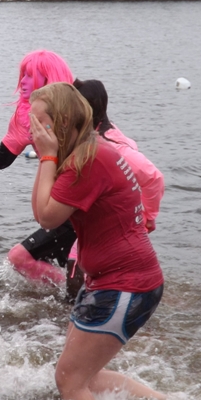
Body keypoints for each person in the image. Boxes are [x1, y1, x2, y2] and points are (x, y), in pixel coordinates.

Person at [29, 82, 165, 400]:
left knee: (69, 380)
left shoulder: (87, 160)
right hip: (110, 280)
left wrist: (46, 155)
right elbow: (40, 210)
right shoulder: (86, 151)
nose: (33, 130)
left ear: (62, 122)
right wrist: (48, 157)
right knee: (83, 375)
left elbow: (47, 217)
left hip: (125, 284)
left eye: (39, 123)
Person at [0, 50, 75, 285]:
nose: (22, 82)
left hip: (78, 202)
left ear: (48, 79)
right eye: (22, 76)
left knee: (20, 257)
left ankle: (71, 290)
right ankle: (65, 293)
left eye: (29, 76)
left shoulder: (78, 114)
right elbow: (1, 158)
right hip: (59, 202)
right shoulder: (24, 117)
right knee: (42, 261)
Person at [64, 78, 165, 301]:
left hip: (113, 224)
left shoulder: (112, 148)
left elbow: (154, 177)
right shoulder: (108, 131)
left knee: (75, 268)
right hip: (106, 221)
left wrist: (147, 217)